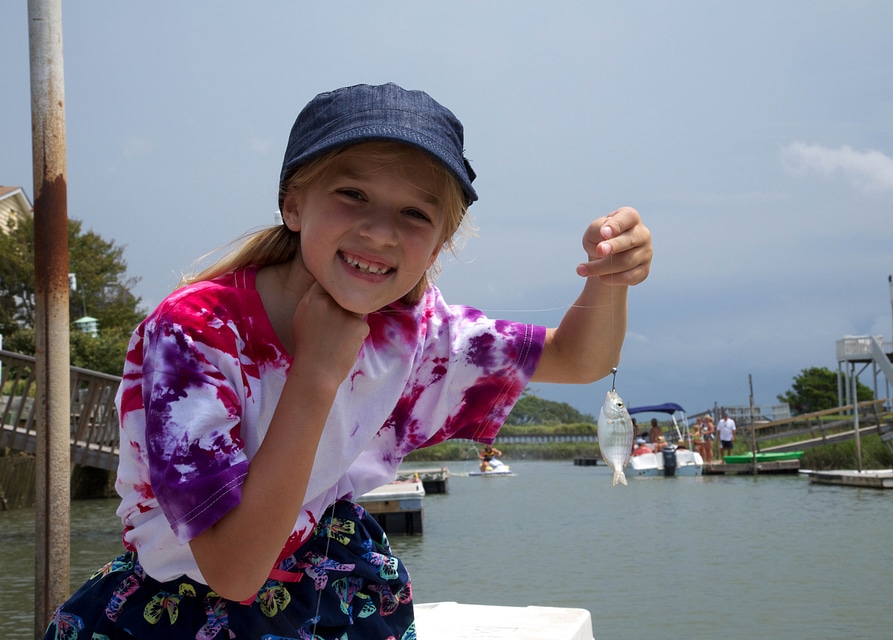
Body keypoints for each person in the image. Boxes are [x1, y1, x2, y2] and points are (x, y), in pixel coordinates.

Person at [44, 83, 653, 640]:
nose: (381, 233)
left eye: (415, 213)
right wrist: (316, 373)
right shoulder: (195, 331)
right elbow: (232, 570)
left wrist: (612, 278)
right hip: (186, 603)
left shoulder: (414, 328)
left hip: (339, 584)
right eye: (352, 194)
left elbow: (579, 357)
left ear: (439, 242)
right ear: (293, 204)